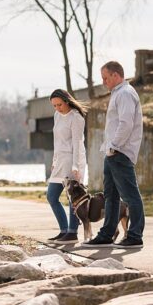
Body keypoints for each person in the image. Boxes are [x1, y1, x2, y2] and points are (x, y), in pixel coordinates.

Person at [83, 60, 146, 249]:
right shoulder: (118, 93)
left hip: (119, 152)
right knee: (110, 196)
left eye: (105, 78)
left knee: (130, 195)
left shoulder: (125, 93)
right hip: (112, 153)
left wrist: (114, 146)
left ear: (116, 75)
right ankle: (107, 234)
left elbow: (125, 124)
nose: (103, 82)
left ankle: (135, 235)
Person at [46, 89, 87, 243]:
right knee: (51, 196)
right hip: (60, 161)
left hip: (72, 160)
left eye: (59, 105)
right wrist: (54, 160)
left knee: (73, 198)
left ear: (67, 101)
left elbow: (77, 143)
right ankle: (64, 230)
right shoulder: (57, 115)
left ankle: (72, 232)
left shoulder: (76, 118)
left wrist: (76, 166)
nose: (57, 108)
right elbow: (57, 141)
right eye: (54, 106)